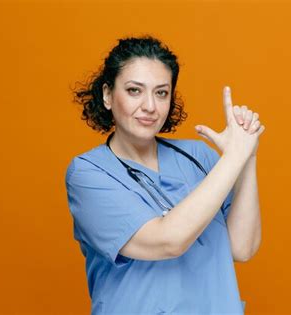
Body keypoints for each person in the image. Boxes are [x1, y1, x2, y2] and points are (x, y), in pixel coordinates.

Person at [65, 35, 265, 314]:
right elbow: (168, 240)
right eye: (135, 90)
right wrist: (233, 158)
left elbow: (242, 247)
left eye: (161, 92)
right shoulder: (88, 174)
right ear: (108, 95)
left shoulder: (199, 156)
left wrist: (247, 154)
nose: (150, 106)